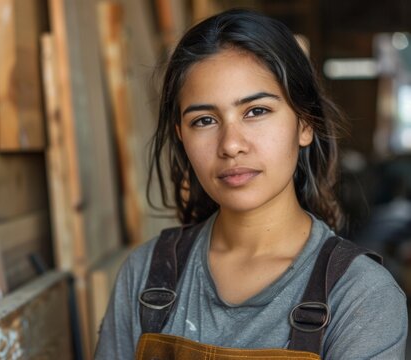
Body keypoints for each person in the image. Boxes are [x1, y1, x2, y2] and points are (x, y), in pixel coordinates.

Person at [94, 9, 407, 360]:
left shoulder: (359, 295)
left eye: (256, 111)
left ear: (305, 124)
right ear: (181, 136)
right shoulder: (146, 276)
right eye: (205, 120)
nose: (230, 144)